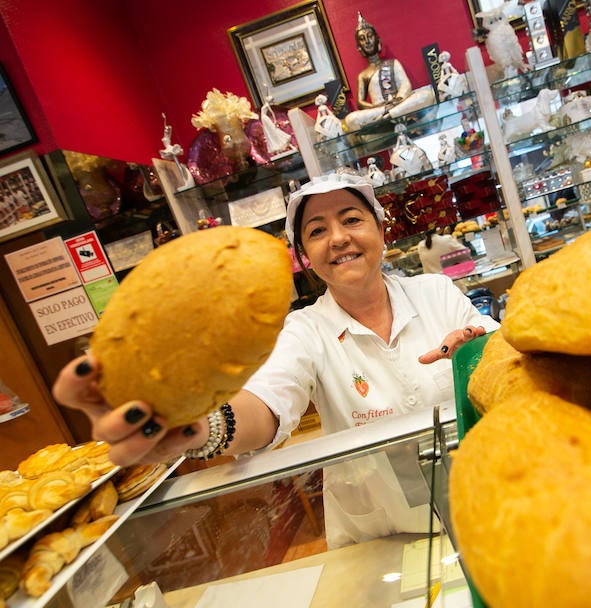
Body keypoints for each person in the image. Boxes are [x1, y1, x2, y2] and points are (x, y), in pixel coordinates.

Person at [53, 173, 499, 549]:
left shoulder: (435, 293)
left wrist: (478, 351)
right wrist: (196, 426)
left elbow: (505, 354)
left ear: (382, 231)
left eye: (351, 219)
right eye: (317, 230)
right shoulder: (304, 329)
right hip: (384, 531)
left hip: (483, 505)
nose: (339, 238)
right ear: (305, 257)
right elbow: (264, 406)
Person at [343, 13, 434, 131]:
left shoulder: (393, 63)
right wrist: (380, 107)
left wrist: (397, 100)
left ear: (378, 40)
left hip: (399, 104)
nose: (367, 41)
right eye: (362, 39)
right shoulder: (363, 75)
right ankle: (390, 114)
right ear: (359, 48)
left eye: (370, 36)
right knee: (350, 119)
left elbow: (406, 85)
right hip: (380, 110)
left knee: (427, 94)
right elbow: (360, 103)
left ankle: (389, 116)